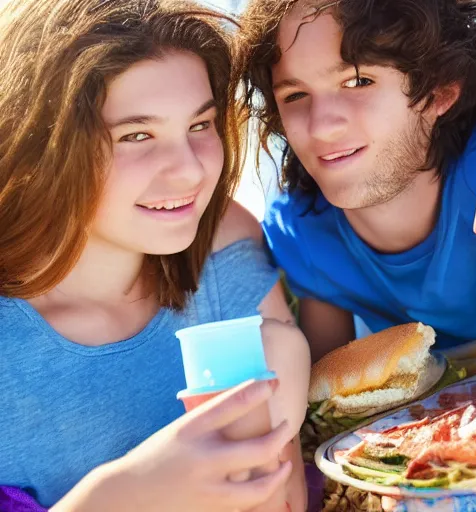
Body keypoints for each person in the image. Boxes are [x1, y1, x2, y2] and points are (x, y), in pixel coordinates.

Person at [0, 0, 311, 510]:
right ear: (41, 148)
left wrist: (288, 355)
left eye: (200, 125)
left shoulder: (220, 245)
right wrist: (115, 495)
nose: (189, 172)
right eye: (136, 135)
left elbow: (284, 498)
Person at [238, 0, 476, 360]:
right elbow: (328, 403)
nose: (321, 126)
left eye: (357, 81)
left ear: (439, 92)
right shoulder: (307, 237)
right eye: (296, 95)